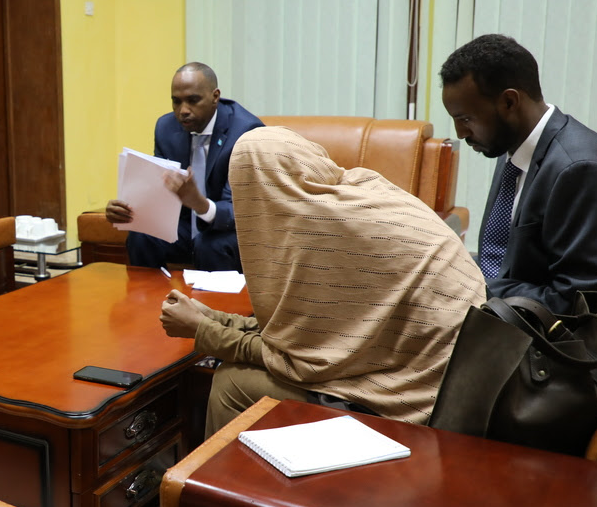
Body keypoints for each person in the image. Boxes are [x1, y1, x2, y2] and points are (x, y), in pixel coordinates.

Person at [160, 127, 487, 436]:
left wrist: (204, 331)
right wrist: (215, 318)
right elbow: (311, 335)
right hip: (473, 369)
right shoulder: (363, 187)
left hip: (427, 400)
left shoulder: (319, 232)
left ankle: (234, 479)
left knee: (230, 383)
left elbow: (299, 361)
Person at [440, 34, 597, 341]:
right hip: (511, 322)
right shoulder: (512, 147)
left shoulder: (579, 168)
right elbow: (507, 263)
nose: (460, 132)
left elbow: (581, 304)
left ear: (509, 102)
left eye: (466, 118)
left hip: (562, 345)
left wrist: (479, 289)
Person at [105, 62, 263, 270]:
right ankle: (146, 292)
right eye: (176, 101)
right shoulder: (166, 128)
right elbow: (160, 193)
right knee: (141, 236)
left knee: (208, 245)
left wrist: (200, 204)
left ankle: (214, 294)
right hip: (188, 226)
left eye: (193, 100)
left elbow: (241, 210)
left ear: (215, 96)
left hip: (230, 230)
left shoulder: (246, 132)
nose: (183, 111)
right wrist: (127, 210)